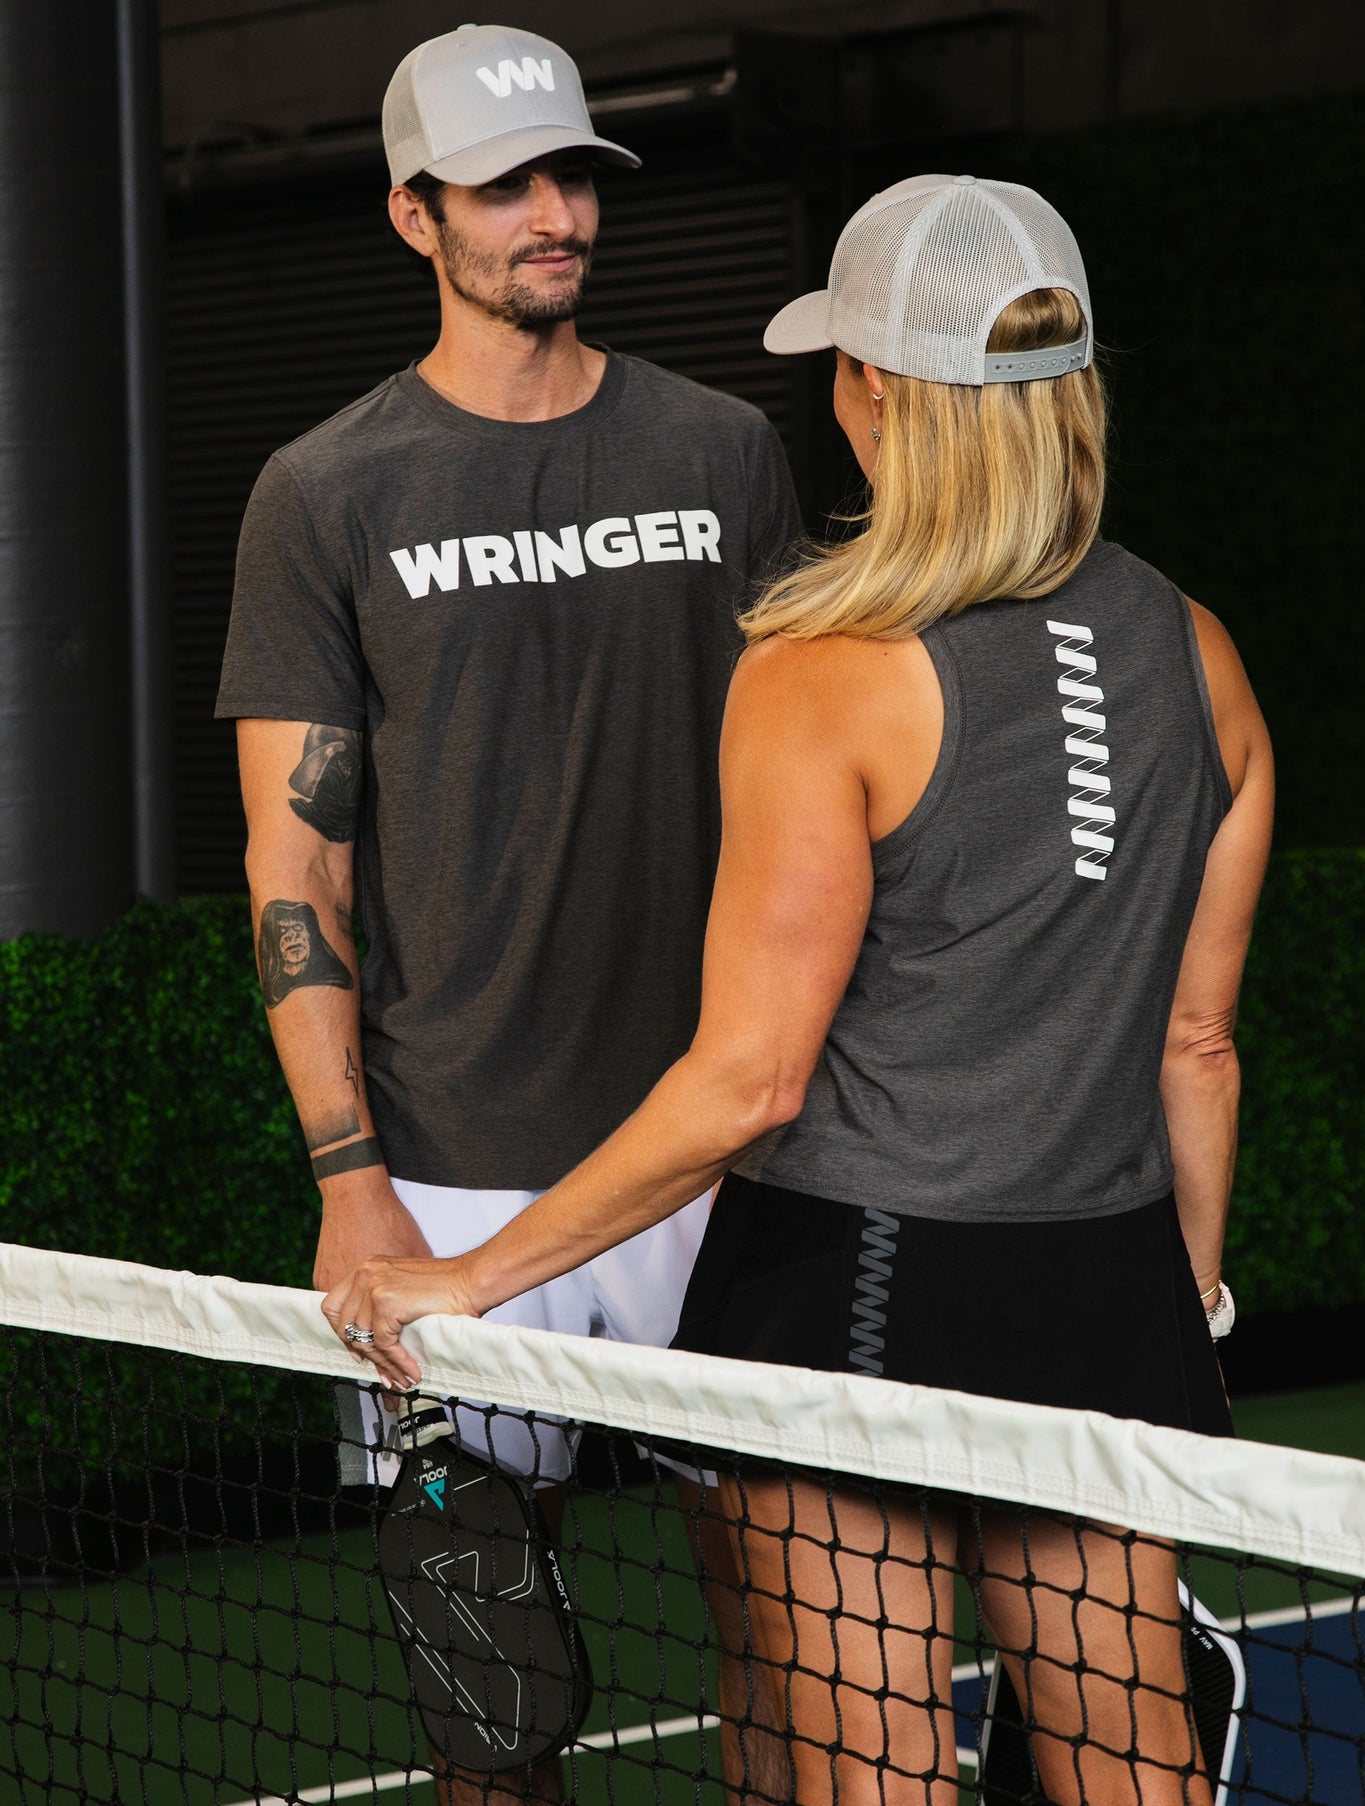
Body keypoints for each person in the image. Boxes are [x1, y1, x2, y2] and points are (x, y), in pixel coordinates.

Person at [323, 174, 1274, 1806]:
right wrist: (1179, 1310)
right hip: (1111, 1283)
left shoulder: (818, 668)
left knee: (872, 1784)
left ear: (875, 393)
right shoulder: (1198, 648)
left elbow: (747, 1081)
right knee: (1138, 1783)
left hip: (852, 1289)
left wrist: (472, 1277)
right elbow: (1196, 1040)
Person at [217, 20, 800, 1802]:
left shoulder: (723, 456)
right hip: (453, 1174)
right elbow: (292, 866)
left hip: (724, 1159)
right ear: (413, 215)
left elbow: (821, 794)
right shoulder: (324, 492)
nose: (553, 214)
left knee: (802, 1640)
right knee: (490, 1707)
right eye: (503, 185)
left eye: (572, 177)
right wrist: (348, 1180)